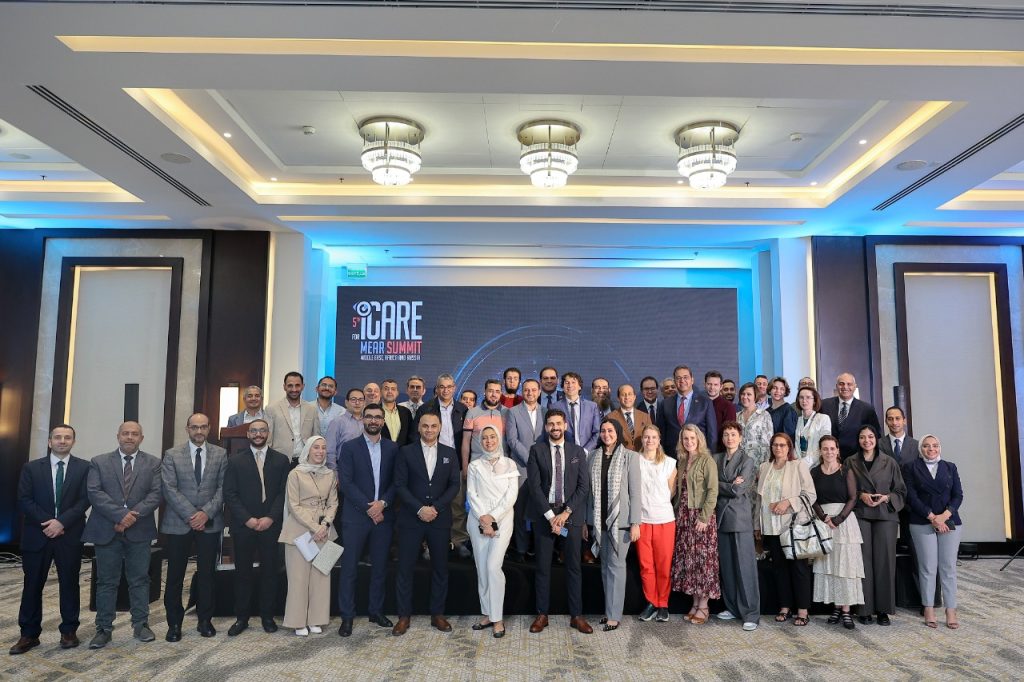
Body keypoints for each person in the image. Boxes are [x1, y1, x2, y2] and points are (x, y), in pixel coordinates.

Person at [11, 424, 90, 655]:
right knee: (32, 584)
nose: (62, 441)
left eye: (67, 437)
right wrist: (49, 523)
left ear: (73, 442)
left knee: (69, 583)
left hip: (69, 534)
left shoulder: (84, 467)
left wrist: (61, 522)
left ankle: (69, 631)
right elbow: (24, 500)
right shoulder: (31, 468)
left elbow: (85, 500)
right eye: (57, 437)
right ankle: (29, 634)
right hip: (38, 534)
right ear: (49, 442)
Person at [83, 421, 163, 649]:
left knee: (140, 579)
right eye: (125, 433)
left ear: (141, 438)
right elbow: (94, 492)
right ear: (117, 436)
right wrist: (121, 516)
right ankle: (103, 629)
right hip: (106, 529)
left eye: (134, 434)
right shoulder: (99, 461)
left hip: (140, 530)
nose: (129, 437)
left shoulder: (154, 463)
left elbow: (156, 494)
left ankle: (141, 624)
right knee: (106, 581)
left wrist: (131, 517)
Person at [393, 412, 460, 635]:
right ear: (419, 428)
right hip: (411, 519)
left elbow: (454, 485)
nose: (429, 430)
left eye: (433, 426)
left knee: (440, 568)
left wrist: (436, 508)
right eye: (425, 426)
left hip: (439, 519)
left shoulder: (450, 453)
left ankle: (437, 614)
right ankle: (404, 616)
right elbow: (400, 485)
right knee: (405, 569)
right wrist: (420, 509)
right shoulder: (405, 452)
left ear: (440, 428)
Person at [161, 413, 227, 641]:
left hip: (210, 522)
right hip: (179, 522)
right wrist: (192, 515)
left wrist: (205, 513)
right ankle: (174, 624)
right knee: (175, 575)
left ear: (209, 428)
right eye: (194, 427)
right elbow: (169, 488)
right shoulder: (172, 454)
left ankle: (205, 620)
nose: (199, 431)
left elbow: (223, 488)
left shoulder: (220, 454)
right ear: (187, 429)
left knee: (207, 574)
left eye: (203, 427)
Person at [526, 409, 593, 634]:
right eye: (551, 424)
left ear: (565, 425)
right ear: (546, 427)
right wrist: (550, 516)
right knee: (543, 567)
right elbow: (534, 487)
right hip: (544, 516)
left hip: (570, 516)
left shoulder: (577, 451)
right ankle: (542, 615)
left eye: (558, 423)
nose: (555, 427)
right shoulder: (536, 450)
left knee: (574, 567)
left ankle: (577, 616)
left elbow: (583, 486)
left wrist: (564, 514)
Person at [223, 419, 290, 636]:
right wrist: (248, 519)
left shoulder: (281, 460)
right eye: (254, 431)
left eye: (262, 430)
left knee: (270, 572)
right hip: (244, 526)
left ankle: (267, 616)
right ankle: (241, 618)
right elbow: (229, 493)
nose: (258, 434)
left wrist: (270, 518)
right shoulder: (235, 460)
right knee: (242, 573)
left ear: (268, 433)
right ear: (248, 434)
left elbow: (283, 493)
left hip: (271, 525)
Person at [337, 403, 398, 637]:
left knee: (380, 567)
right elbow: (346, 482)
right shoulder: (349, 447)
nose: (373, 420)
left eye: (378, 417)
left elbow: (397, 482)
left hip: (384, 516)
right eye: (369, 416)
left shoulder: (392, 448)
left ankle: (376, 611)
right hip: (356, 517)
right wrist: (369, 507)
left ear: (383, 421)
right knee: (349, 569)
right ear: (362, 419)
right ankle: (347, 616)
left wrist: (383, 504)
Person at [846, 424, 906, 625]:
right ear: (858, 440)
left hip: (885, 515)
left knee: (884, 562)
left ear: (876, 439)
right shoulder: (850, 461)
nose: (867, 441)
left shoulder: (890, 462)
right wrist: (860, 495)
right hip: (860, 514)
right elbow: (844, 489)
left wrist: (886, 498)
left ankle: (883, 610)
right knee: (862, 562)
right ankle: (864, 609)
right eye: (862, 437)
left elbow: (901, 491)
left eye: (870, 436)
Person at [279, 435, 338, 636]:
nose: (320, 451)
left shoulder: (330, 474)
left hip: (325, 531)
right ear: (308, 451)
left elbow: (333, 502)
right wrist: (314, 526)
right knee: (298, 578)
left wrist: (325, 523)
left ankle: (316, 619)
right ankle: (298, 622)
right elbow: (293, 505)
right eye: (316, 447)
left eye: (323, 448)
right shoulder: (295, 474)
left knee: (322, 577)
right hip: (299, 530)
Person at [903, 434, 963, 630]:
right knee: (927, 568)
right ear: (921, 449)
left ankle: (951, 610)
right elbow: (911, 496)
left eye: (935, 445)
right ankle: (928, 607)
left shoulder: (950, 467)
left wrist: (943, 516)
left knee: (948, 568)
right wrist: (932, 517)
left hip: (949, 521)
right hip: (922, 521)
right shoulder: (911, 467)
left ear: (940, 447)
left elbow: (958, 495)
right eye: (927, 446)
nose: (931, 449)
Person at [756, 432, 816, 627]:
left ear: (789, 447)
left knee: (798, 568)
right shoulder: (764, 467)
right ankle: (785, 607)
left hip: (792, 525)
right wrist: (757, 525)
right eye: (775, 445)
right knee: (779, 569)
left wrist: (788, 502)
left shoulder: (798, 465)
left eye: (782, 445)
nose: (778, 448)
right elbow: (759, 500)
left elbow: (810, 494)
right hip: (770, 526)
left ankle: (803, 610)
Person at [587, 418, 641, 631]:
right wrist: (586, 522)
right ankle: (609, 611)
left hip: (622, 522)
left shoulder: (630, 457)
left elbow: (635, 493)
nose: (606, 434)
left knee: (617, 567)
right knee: (604, 568)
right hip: (598, 521)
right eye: (603, 431)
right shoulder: (593, 456)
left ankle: (615, 615)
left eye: (610, 430)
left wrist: (635, 522)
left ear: (618, 433)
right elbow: (589, 493)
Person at [467, 425, 520, 638]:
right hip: (477, 520)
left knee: (492, 567)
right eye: (485, 438)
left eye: (492, 437)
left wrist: (492, 518)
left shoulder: (510, 464)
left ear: (498, 439)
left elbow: (511, 496)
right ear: (480, 441)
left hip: (503, 520)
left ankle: (498, 618)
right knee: (482, 568)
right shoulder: (474, 465)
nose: (489, 441)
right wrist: (483, 518)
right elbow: (472, 494)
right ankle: (488, 613)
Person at [810, 435, 864, 630]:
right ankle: (836, 607)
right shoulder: (814, 472)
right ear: (820, 451)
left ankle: (847, 610)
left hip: (844, 522)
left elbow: (853, 497)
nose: (829, 452)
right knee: (830, 566)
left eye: (832, 448)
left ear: (838, 450)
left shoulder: (846, 471)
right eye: (825, 449)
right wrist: (823, 516)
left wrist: (839, 519)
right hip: (824, 522)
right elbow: (812, 498)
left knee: (845, 567)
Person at [670, 424, 720, 625]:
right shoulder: (682, 461)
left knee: (703, 561)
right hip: (684, 517)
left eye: (692, 438)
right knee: (690, 561)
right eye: (685, 438)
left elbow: (713, 491)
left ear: (699, 439)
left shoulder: (707, 460)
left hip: (701, 517)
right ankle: (695, 603)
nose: (689, 442)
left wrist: (704, 517)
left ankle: (704, 606)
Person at [712, 421, 759, 631]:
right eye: (726, 434)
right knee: (728, 566)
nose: (729, 438)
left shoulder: (747, 460)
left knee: (744, 567)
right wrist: (729, 484)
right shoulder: (716, 458)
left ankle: (751, 613)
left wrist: (723, 486)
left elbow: (738, 491)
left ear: (740, 438)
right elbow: (710, 485)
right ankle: (732, 607)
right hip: (720, 518)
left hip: (739, 518)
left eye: (733, 434)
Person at [415, 373, 468, 556]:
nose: (445, 390)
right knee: (430, 504)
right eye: (442, 387)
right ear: (436, 389)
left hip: (455, 463)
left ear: (454, 388)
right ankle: (428, 544)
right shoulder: (426, 408)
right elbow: (416, 435)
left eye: (449, 387)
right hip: (430, 462)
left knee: (457, 505)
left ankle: (458, 541)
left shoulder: (463, 409)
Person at [635, 425, 676, 623]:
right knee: (646, 565)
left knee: (663, 565)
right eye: (646, 437)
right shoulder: (634, 461)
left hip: (664, 520)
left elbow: (672, 493)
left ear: (659, 440)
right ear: (642, 440)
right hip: (642, 520)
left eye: (653, 437)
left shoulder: (669, 463)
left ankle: (663, 604)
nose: (650, 440)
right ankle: (651, 602)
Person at [504, 378, 544, 561]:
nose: (530, 393)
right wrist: (532, 460)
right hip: (521, 468)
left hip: (543, 470)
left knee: (540, 511)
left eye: (534, 390)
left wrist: (540, 463)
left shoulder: (546, 411)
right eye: (526, 390)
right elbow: (512, 440)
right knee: (519, 512)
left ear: (539, 392)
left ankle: (537, 548)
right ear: (522, 391)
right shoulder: (513, 412)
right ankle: (520, 549)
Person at [657, 365, 717, 457]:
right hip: (672, 456)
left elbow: (712, 434)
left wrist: (710, 457)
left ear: (692, 380)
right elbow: (660, 433)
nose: (682, 380)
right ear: (675, 381)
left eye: (685, 377)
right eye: (678, 378)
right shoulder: (665, 404)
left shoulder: (705, 402)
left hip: (698, 456)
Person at [820, 373, 882, 460]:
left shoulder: (867, 409)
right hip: (829, 458)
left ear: (855, 387)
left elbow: (876, 435)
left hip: (856, 460)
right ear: (836, 386)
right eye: (841, 384)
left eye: (849, 384)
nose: (845, 387)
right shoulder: (824, 405)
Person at [266, 371, 318, 462]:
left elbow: (316, 436)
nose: (294, 389)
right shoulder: (271, 408)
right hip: (279, 460)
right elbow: (268, 438)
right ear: (284, 387)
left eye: (297, 385)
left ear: (303, 386)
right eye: (290, 385)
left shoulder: (312, 409)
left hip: (305, 460)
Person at [554, 371, 601, 452]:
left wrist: (585, 450)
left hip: (588, 452)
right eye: (567, 382)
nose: (570, 385)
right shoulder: (554, 407)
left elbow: (597, 432)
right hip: (564, 452)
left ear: (579, 386)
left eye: (573, 382)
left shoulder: (592, 406)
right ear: (562, 387)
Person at [325, 388, 365, 471]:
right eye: (353, 399)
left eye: (360, 400)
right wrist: (334, 471)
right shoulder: (337, 422)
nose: (357, 403)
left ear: (364, 403)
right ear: (346, 402)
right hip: (344, 467)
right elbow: (330, 450)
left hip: (365, 467)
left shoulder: (368, 422)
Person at [735, 382, 772, 468]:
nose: (745, 397)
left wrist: (764, 466)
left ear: (755, 396)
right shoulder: (737, 416)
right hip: (739, 464)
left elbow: (767, 443)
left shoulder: (764, 415)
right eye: (743, 394)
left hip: (757, 463)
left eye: (749, 394)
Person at [794, 386, 832, 469]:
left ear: (814, 401)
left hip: (816, 465)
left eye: (808, 397)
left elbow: (824, 445)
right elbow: (796, 445)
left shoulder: (823, 418)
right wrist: (797, 461)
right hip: (797, 464)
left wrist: (805, 463)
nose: (804, 400)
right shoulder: (797, 420)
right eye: (801, 397)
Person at [607, 383, 652, 452]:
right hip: (620, 455)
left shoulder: (645, 417)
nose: (627, 397)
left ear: (634, 397)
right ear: (618, 398)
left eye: (630, 394)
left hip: (641, 455)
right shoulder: (610, 417)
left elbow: (651, 437)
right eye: (623, 395)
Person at [705, 370, 737, 451]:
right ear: (705, 384)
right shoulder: (699, 404)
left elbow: (729, 431)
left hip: (720, 451)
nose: (712, 387)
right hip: (700, 449)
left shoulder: (728, 406)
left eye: (715, 384)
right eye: (709, 384)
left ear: (721, 386)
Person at [380, 378, 414, 446]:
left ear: (397, 393)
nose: (390, 391)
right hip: (381, 451)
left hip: (402, 451)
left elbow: (410, 435)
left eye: (393, 389)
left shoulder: (406, 412)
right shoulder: (375, 412)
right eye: (386, 389)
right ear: (380, 392)